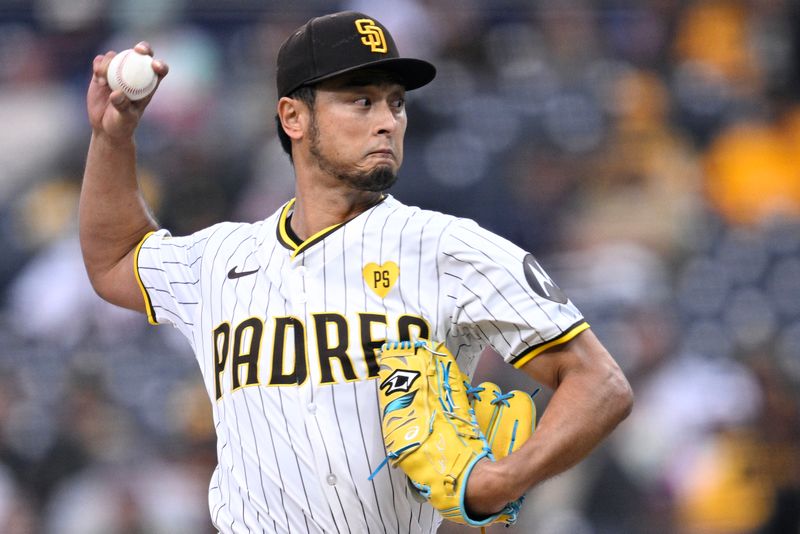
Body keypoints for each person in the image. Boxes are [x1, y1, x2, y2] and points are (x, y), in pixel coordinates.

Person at [80, 10, 633, 533]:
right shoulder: (224, 259)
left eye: (396, 103)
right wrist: (112, 138)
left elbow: (600, 383)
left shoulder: (446, 247)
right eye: (361, 101)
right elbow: (113, 260)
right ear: (294, 117)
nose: (387, 121)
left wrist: (502, 480)